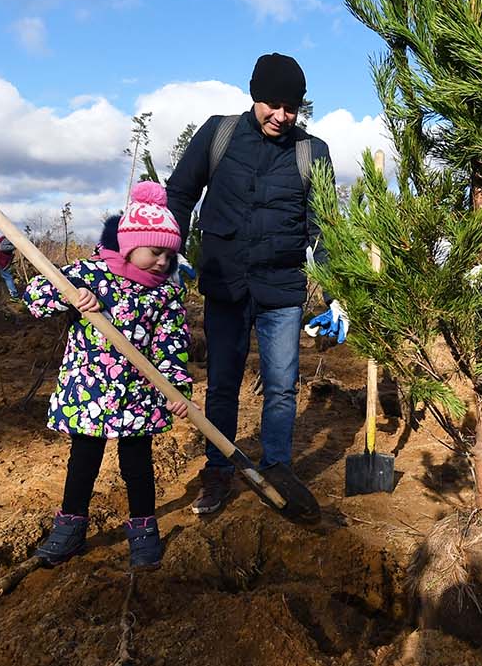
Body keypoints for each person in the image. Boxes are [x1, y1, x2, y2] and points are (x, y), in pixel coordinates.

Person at [166, 53, 337, 524]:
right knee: (221, 384)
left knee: (282, 387)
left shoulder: (311, 152)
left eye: (292, 108)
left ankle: (276, 468)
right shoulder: (219, 134)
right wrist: (171, 247)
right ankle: (218, 468)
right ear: (254, 95)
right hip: (224, 284)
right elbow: (180, 192)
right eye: (273, 104)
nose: (282, 116)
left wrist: (336, 293)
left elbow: (324, 228)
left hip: (281, 289)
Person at [25, 182, 193, 570]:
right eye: (155, 252)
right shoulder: (91, 274)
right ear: (131, 244)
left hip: (140, 396)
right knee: (83, 460)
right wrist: (69, 296)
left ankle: (144, 531)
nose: (163, 263)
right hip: (89, 392)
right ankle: (69, 529)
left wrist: (177, 390)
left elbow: (171, 347)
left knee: (137, 463)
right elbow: (34, 296)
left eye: (170, 255)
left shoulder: (164, 295)